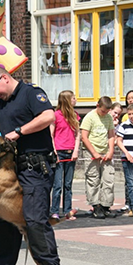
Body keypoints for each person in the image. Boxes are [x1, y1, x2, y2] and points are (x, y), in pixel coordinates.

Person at [0, 67, 63, 265]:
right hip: (14, 168)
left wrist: (19, 131)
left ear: (5, 78)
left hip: (36, 167)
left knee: (35, 219)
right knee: (5, 220)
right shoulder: (4, 103)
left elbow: (48, 116)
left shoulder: (30, 93)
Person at [80, 96, 116, 219]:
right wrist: (94, 152)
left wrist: (111, 150)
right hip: (91, 152)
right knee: (93, 179)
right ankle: (95, 206)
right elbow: (84, 137)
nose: (104, 114)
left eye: (106, 112)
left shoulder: (109, 117)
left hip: (105, 151)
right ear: (97, 106)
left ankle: (106, 205)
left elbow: (111, 135)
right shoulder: (89, 117)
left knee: (108, 179)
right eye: (103, 111)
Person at [50, 90, 80, 221]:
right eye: (73, 98)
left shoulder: (75, 115)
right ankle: (54, 211)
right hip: (60, 152)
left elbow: (77, 135)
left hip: (70, 151)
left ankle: (68, 210)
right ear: (67, 100)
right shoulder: (56, 115)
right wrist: (54, 151)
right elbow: (50, 134)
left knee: (68, 184)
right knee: (57, 185)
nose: (75, 100)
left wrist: (76, 150)